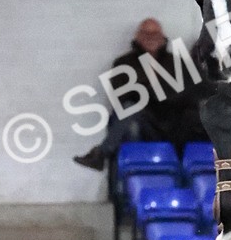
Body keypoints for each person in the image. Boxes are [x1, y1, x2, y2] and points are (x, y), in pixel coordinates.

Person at [73, 18, 207, 171]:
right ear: (137, 36)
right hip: (144, 120)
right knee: (130, 109)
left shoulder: (178, 63)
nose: (150, 38)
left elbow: (190, 95)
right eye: (146, 34)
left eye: (154, 34)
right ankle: (103, 155)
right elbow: (121, 98)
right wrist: (154, 94)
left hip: (174, 122)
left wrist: (152, 92)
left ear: (162, 37)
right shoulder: (123, 64)